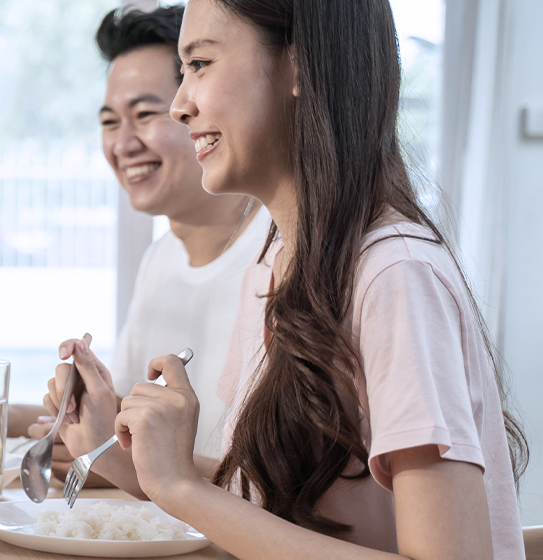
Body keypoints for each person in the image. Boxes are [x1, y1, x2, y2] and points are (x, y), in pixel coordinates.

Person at [46, 0, 529, 557]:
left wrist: (180, 485)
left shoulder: (396, 275)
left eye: (199, 64)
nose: (180, 105)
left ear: (299, 65)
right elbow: (268, 503)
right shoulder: (279, 263)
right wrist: (125, 460)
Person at [19, 5, 271, 480]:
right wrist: (81, 425)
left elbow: (278, 492)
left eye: (144, 114)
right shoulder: (161, 257)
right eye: (110, 122)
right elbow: (124, 425)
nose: (123, 143)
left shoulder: (279, 253)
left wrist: (118, 463)